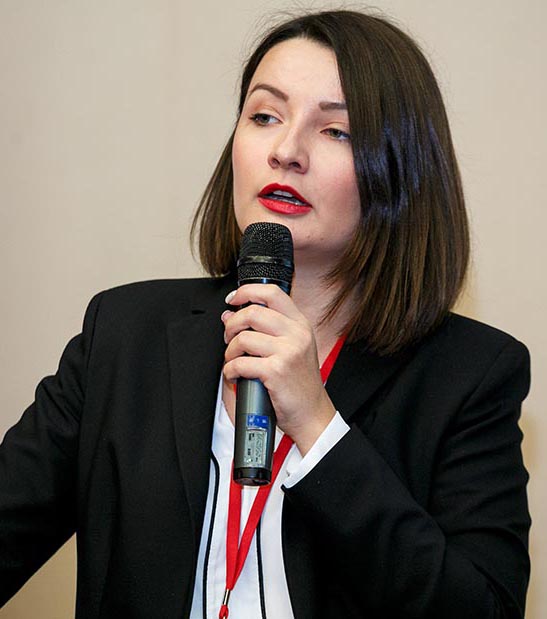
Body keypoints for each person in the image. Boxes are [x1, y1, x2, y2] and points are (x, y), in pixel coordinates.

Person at [0, 9, 530, 619]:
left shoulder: (469, 375)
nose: (286, 152)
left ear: (401, 173)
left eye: (337, 131)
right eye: (264, 116)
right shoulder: (123, 335)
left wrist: (317, 425)